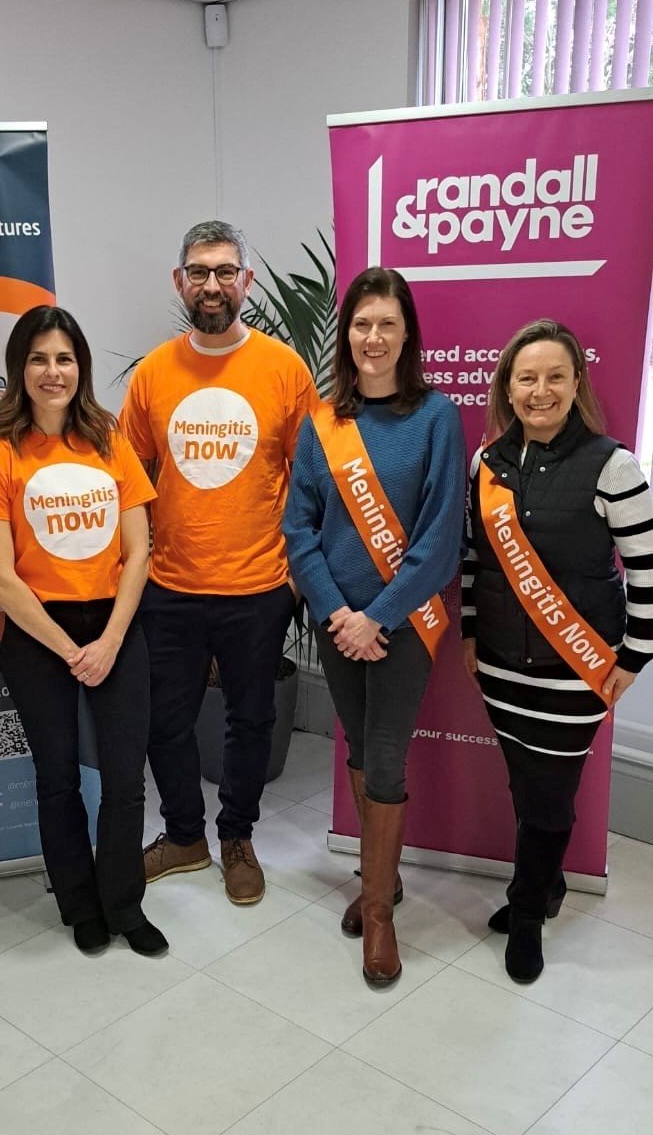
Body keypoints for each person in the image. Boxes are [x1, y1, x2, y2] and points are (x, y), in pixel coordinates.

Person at [120, 220, 317, 904]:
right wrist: (138, 564)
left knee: (251, 719)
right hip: (169, 585)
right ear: (179, 281)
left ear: (246, 282)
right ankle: (182, 835)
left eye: (224, 271)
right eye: (198, 271)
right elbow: (130, 476)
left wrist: (295, 576)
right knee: (161, 720)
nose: (211, 284)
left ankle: (236, 835)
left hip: (259, 586)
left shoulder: (284, 370)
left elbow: (312, 476)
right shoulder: (151, 375)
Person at [0, 305, 167, 955]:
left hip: (114, 623)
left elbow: (141, 550)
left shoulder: (108, 439)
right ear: (20, 369)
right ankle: (80, 907)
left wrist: (107, 642)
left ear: (81, 367)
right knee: (56, 777)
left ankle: (123, 904)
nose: (54, 372)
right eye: (40, 359)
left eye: (66, 358)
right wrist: (70, 649)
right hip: (38, 634)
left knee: (126, 778)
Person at [283, 266, 465, 986]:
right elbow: (299, 527)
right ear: (347, 334)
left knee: (385, 759)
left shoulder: (436, 417)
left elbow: (439, 537)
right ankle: (378, 881)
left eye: (387, 323)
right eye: (361, 323)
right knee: (358, 747)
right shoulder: (322, 423)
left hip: (403, 626)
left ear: (406, 333)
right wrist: (337, 613)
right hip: (337, 622)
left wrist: (376, 617)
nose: (373, 336)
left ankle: (381, 914)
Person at [461, 319, 653, 984]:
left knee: (547, 797)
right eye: (525, 377)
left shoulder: (613, 465)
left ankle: (523, 913)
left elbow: (647, 570)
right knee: (523, 785)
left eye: (553, 376)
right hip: (499, 667)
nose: (538, 390)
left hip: (574, 671)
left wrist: (631, 658)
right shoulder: (485, 464)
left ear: (576, 383)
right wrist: (465, 631)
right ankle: (543, 886)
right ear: (506, 388)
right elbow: (469, 559)